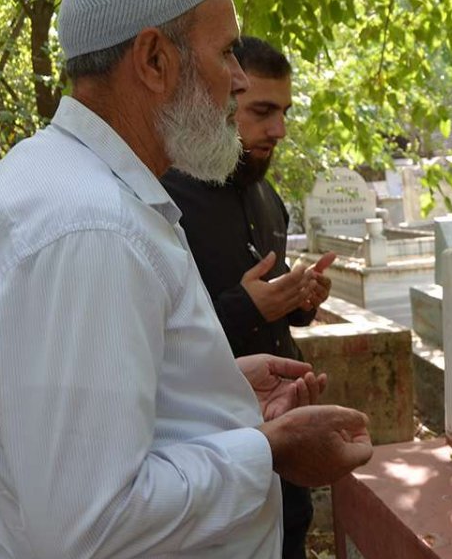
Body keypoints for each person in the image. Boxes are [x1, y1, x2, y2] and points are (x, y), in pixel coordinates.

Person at [0, 0, 372, 558]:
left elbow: (101, 439)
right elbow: (91, 527)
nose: (240, 79)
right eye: (225, 53)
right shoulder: (88, 227)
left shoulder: (82, 190)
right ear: (154, 60)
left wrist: (207, 386)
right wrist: (270, 447)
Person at [162, 37, 334, 559]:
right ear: (221, 98)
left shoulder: (266, 196)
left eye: (283, 111)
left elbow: (273, 311)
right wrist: (247, 308)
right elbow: (154, 344)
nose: (278, 129)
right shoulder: (165, 201)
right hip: (209, 461)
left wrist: (301, 299)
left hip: (284, 447)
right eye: (261, 111)